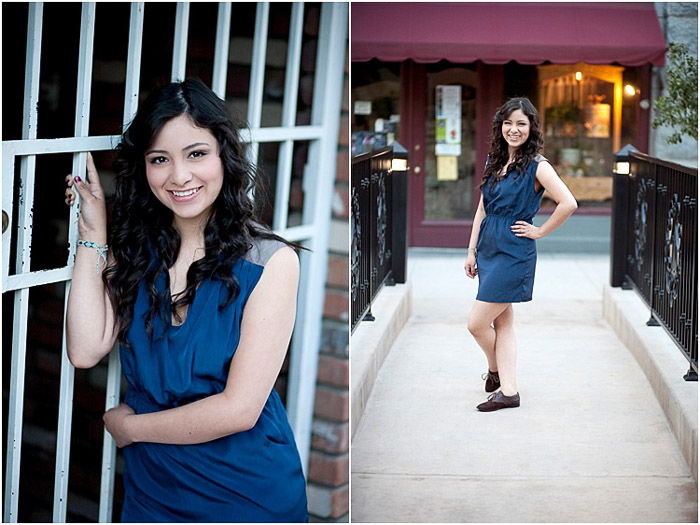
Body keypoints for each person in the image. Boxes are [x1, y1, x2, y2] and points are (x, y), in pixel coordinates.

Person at [64, 77, 308, 522]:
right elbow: (84, 349)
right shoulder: (139, 250)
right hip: (153, 492)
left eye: (196, 153)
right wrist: (95, 235)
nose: (179, 176)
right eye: (160, 159)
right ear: (144, 167)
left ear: (224, 156)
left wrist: (129, 428)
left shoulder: (271, 262)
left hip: (245, 495)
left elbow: (239, 410)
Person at [464, 97, 577, 412]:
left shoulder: (538, 166)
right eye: (508, 123)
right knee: (502, 323)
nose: (513, 130)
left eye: (521, 124)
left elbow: (568, 203)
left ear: (531, 128)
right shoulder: (495, 160)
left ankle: (496, 370)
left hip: (514, 250)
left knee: (475, 323)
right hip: (488, 246)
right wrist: (471, 250)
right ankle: (508, 390)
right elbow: (483, 208)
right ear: (501, 126)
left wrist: (540, 230)